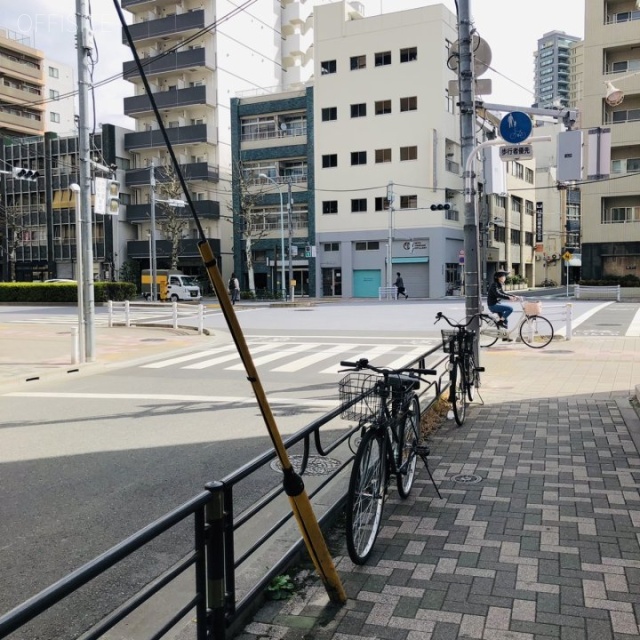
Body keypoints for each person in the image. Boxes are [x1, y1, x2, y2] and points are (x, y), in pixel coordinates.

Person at [487, 270, 518, 342]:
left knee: (505, 320)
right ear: (499, 277)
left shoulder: (499, 284)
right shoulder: (494, 285)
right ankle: (500, 322)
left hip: (496, 304)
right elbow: (498, 294)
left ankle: (504, 337)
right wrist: (509, 298)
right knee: (510, 309)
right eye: (503, 276)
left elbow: (503, 293)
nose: (505, 278)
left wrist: (512, 295)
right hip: (493, 305)